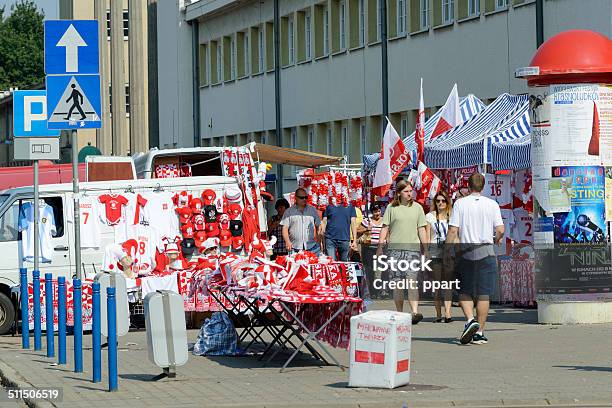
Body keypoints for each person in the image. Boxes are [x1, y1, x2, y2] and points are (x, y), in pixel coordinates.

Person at [445, 173, 504, 345]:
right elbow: (500, 229)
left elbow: (453, 231)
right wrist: (497, 240)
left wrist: (447, 251)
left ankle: (470, 319)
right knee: (484, 293)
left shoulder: (460, 204)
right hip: (486, 251)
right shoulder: (492, 204)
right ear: (483, 187)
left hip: (466, 252)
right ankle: (479, 332)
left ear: (468, 186)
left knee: (465, 290)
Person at [377, 180, 429, 323]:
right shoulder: (391, 208)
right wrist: (380, 247)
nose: (409, 193)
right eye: (406, 191)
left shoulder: (418, 208)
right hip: (395, 251)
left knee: (411, 281)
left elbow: (421, 229)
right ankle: (400, 313)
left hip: (413, 250)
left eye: (410, 190)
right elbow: (385, 228)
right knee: (398, 283)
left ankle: (414, 312)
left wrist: (426, 248)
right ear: (399, 193)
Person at [425, 191, 453, 323]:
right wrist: (426, 252)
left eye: (443, 200)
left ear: (447, 202)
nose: (440, 203)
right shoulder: (430, 216)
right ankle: (438, 314)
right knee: (437, 284)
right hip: (435, 253)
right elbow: (427, 236)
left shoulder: (451, 216)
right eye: (438, 201)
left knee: (448, 283)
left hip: (448, 254)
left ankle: (448, 313)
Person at [281, 188, 322, 254]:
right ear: (296, 198)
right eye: (301, 197)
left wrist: (319, 240)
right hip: (294, 247)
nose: (304, 199)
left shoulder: (312, 210)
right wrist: (287, 241)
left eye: (306, 197)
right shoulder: (289, 212)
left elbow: (318, 226)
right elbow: (285, 228)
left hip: (312, 247)